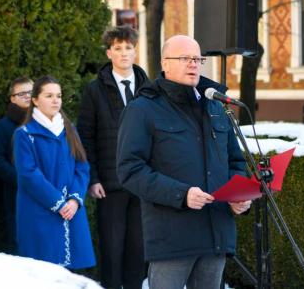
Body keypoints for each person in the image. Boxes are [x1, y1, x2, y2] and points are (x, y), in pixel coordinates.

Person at [117, 35, 249, 289]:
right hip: (172, 239)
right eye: (185, 58)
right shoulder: (143, 109)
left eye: (197, 59)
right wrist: (182, 194)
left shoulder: (216, 106)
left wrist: (237, 196)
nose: (193, 64)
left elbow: (235, 161)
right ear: (165, 63)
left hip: (216, 234)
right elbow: (130, 170)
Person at [77, 26, 148, 289]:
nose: (124, 53)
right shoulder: (94, 90)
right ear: (109, 53)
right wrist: (93, 178)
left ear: (135, 51)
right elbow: (86, 137)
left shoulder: (150, 89)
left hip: (144, 182)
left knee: (138, 250)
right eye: (118, 48)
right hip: (109, 184)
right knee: (112, 248)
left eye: (128, 47)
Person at [13, 75, 95, 270]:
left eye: (58, 96)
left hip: (71, 211)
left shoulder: (70, 130)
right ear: (35, 100)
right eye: (49, 96)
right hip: (39, 213)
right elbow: (28, 174)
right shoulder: (24, 134)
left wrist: (74, 200)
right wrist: (58, 203)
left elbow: (82, 167)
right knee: (43, 272)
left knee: (71, 273)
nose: (55, 100)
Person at [0, 76, 33, 254]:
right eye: (22, 93)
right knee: (20, 245)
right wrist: (20, 180)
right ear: (12, 98)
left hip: (47, 195)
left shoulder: (48, 121)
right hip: (17, 195)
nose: (28, 96)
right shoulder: (3, 126)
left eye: (31, 92)